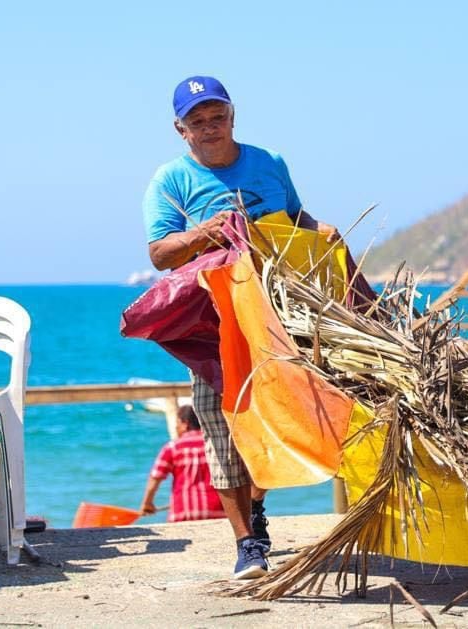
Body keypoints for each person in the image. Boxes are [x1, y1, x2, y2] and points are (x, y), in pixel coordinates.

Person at [143, 75, 338, 580]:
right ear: (180, 129)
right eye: (198, 122)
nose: (210, 128)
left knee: (274, 419)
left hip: (280, 314)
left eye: (218, 117)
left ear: (233, 115)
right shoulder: (171, 179)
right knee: (220, 426)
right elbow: (160, 254)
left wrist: (323, 231)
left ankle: (256, 506)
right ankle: (247, 544)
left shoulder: (269, 161)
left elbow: (296, 218)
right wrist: (204, 232)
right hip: (214, 321)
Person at [141, 404, 226, 522]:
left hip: (183, 513)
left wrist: (147, 504)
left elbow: (155, 477)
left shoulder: (172, 448)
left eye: (177, 423)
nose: (176, 427)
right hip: (219, 512)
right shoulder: (217, 445)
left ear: (185, 423)